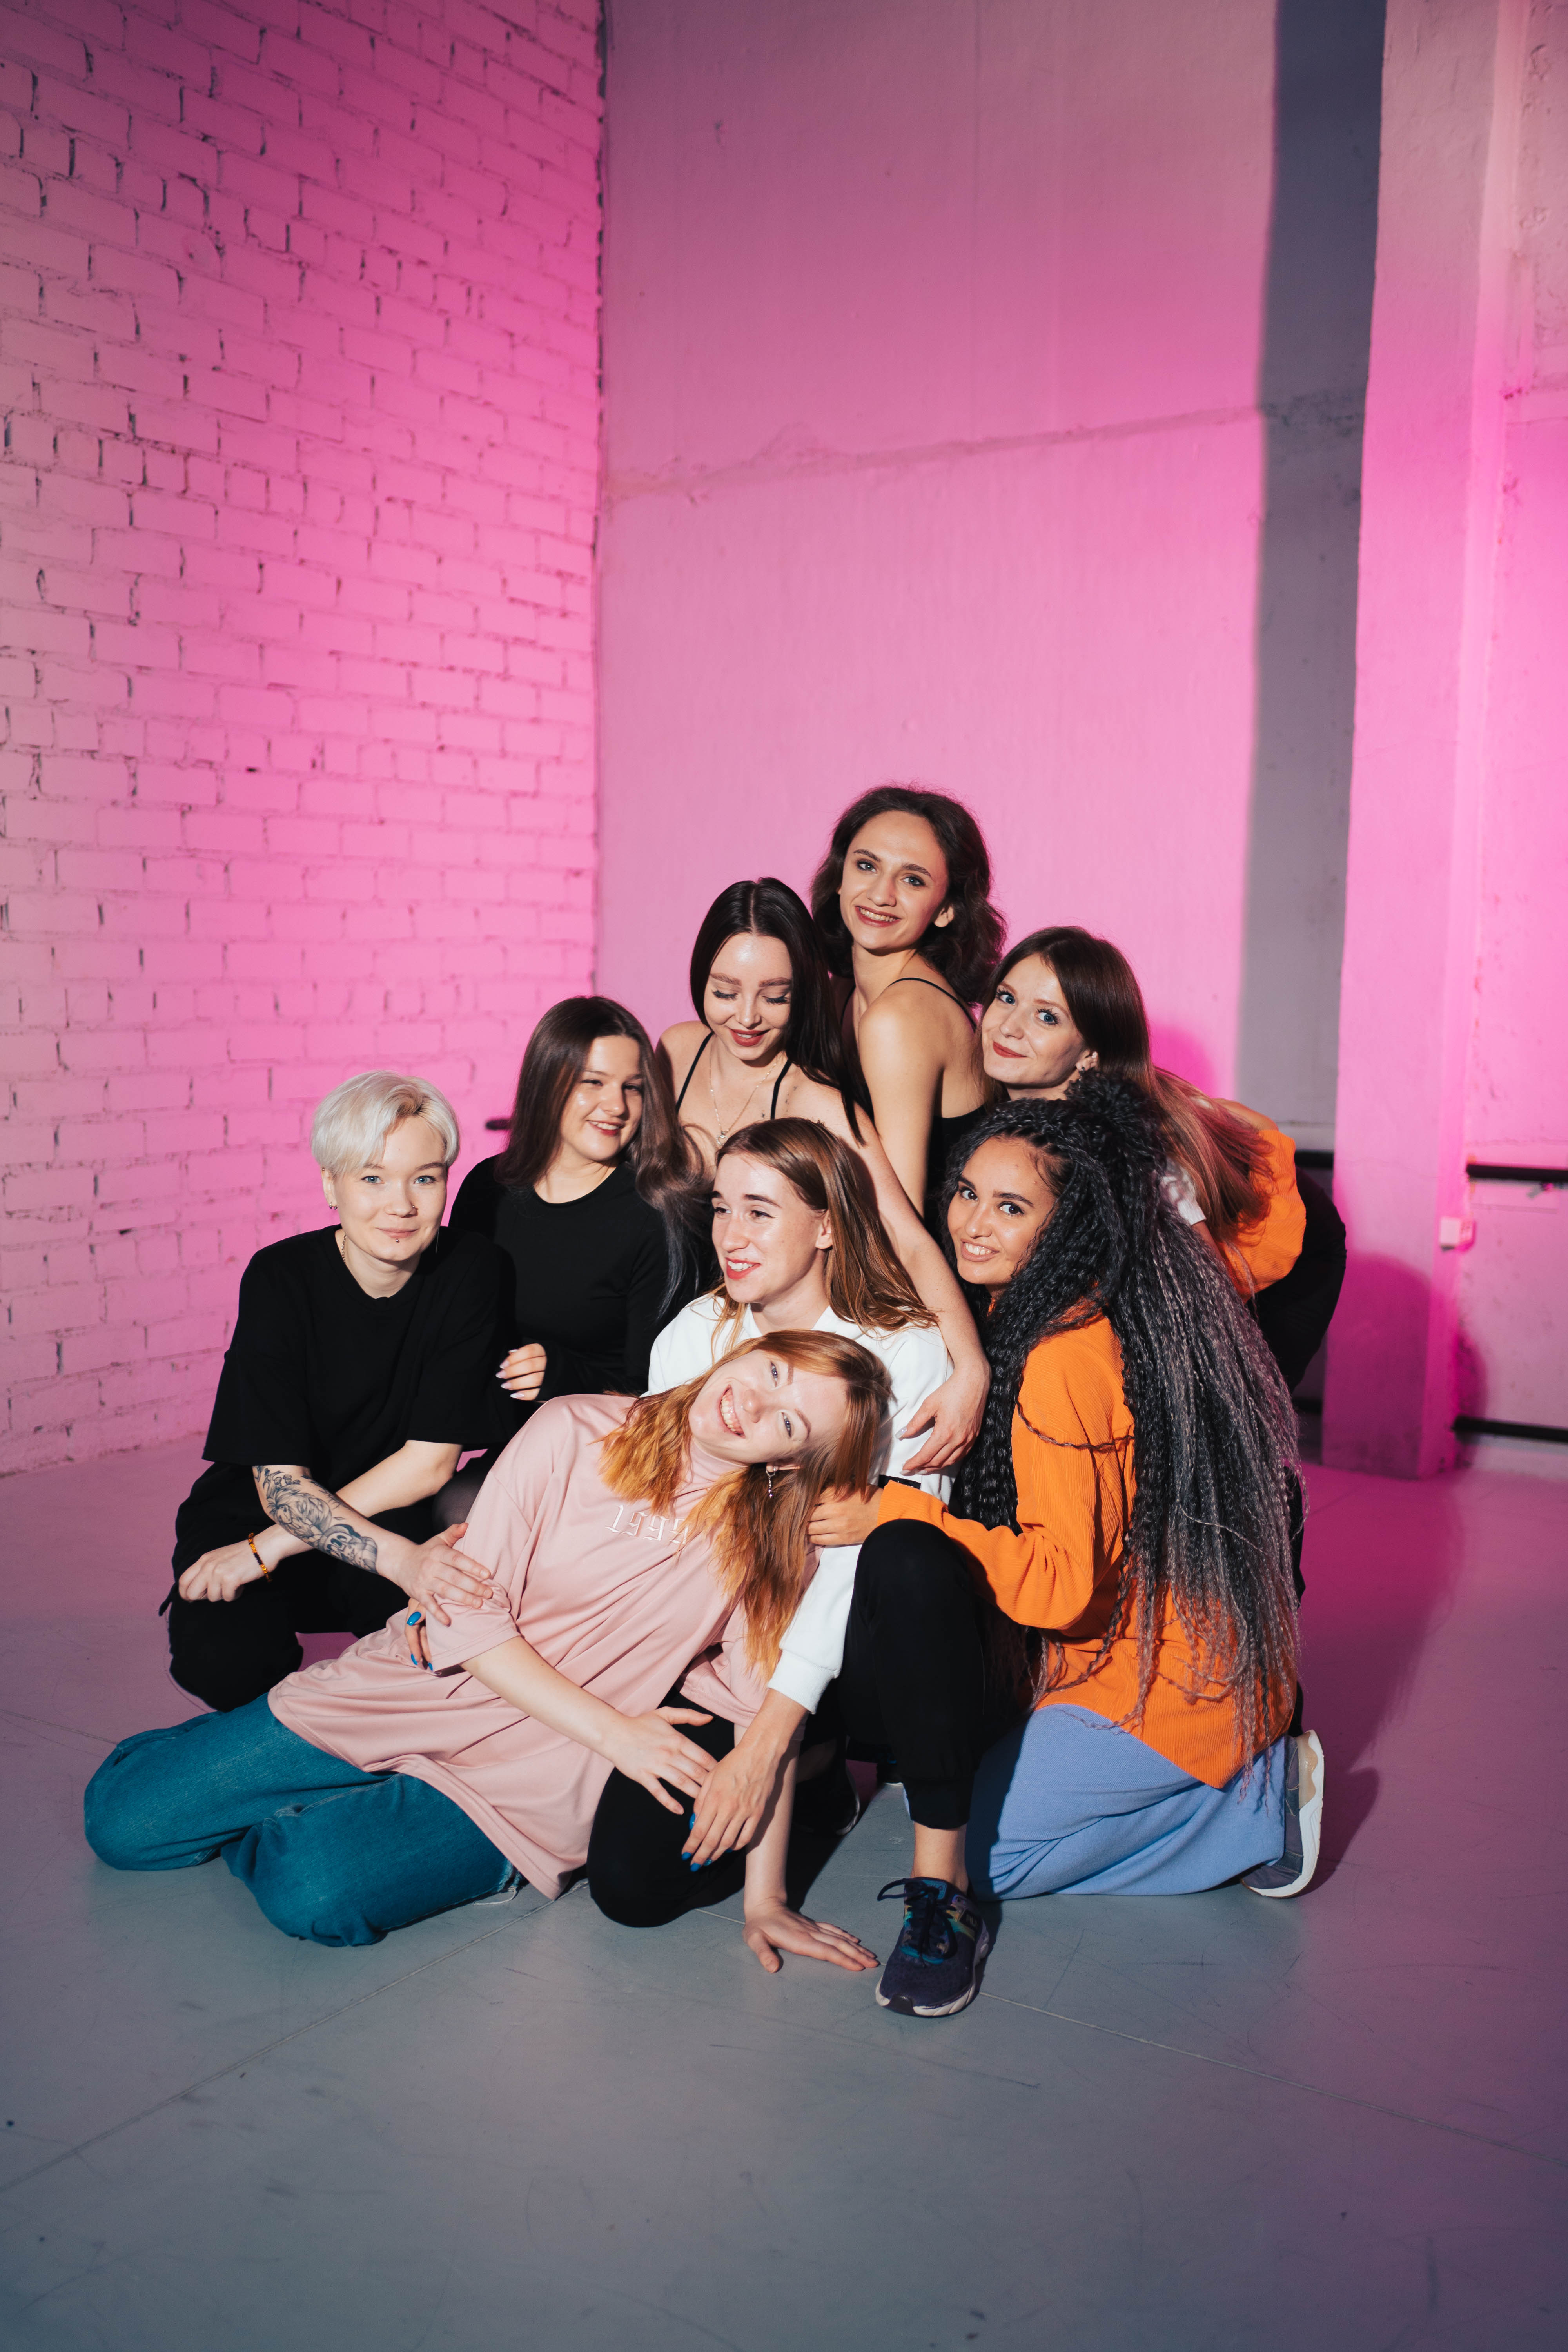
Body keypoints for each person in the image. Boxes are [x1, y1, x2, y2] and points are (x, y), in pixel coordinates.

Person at [684, 1080, 1319, 2023]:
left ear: (1068, 1225)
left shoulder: (1063, 1358)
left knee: (988, 1858)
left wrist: (900, 1510)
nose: (972, 1223)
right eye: (966, 1192)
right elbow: (919, 1248)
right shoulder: (1047, 1311)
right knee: (942, 1790)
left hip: (1167, 1687)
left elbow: (1061, 1589)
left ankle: (1256, 1806)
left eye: (1010, 1207)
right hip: (1127, 1660)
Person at [87, 1335, 892, 1975]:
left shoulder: (773, 1548)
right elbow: (466, 1619)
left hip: (537, 1773)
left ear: (790, 1461)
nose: (755, 1403)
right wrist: (619, 1734)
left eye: (790, 1422)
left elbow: (759, 1720)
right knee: (125, 1821)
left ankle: (337, 1818)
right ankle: (315, 1791)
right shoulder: (575, 1427)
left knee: (311, 1889)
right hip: (421, 1686)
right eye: (774, 1372)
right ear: (746, 1350)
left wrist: (766, 1898)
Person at [585, 1118, 953, 1927]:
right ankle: (813, 1775)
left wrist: (767, 1740)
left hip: (838, 1648)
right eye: (722, 1209)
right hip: (715, 1640)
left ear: (826, 1225)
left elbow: (869, 1558)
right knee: (629, 1884)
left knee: (894, 1555)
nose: (730, 1235)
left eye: (759, 1212)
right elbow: (661, 1522)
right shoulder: (693, 1337)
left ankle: (819, 1753)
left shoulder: (906, 1351)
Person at [163, 1073, 515, 1715]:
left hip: (387, 1509)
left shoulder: (472, 1269)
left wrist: (268, 1554)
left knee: (440, 1653)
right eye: (373, 1178)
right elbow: (279, 1487)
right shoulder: (280, 1278)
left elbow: (428, 1465)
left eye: (425, 1178)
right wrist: (256, 1548)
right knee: (226, 1665)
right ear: (332, 1185)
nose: (401, 1205)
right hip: (255, 1512)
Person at [661, 876, 989, 1470]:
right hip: (662, 1328)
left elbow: (908, 1239)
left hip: (745, 1351)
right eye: (725, 991)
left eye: (775, 997)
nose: (746, 1017)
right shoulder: (676, 1052)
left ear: (804, 993)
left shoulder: (818, 1103)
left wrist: (971, 1368)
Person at [977, 925, 1346, 1375]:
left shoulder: (1128, 1148)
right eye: (1006, 997)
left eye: (1047, 1017)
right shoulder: (1001, 1104)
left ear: (1090, 1053)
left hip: (1297, 1252)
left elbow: (1209, 1302)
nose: (1008, 1027)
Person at [438, 997, 702, 1526]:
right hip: (504, 1437)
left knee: (466, 1513)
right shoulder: (488, 1189)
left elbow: (657, 1387)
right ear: (548, 1083)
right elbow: (455, 1327)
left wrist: (562, 1372)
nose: (617, 1106)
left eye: (633, 1088)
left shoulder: (658, 1213)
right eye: (593, 1082)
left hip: (609, 1448)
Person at [809, 785, 1001, 1223]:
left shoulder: (900, 1017)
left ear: (946, 909)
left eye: (912, 880)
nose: (881, 894)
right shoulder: (843, 991)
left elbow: (900, 1220)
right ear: (839, 877)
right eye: (866, 866)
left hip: (926, 1256)